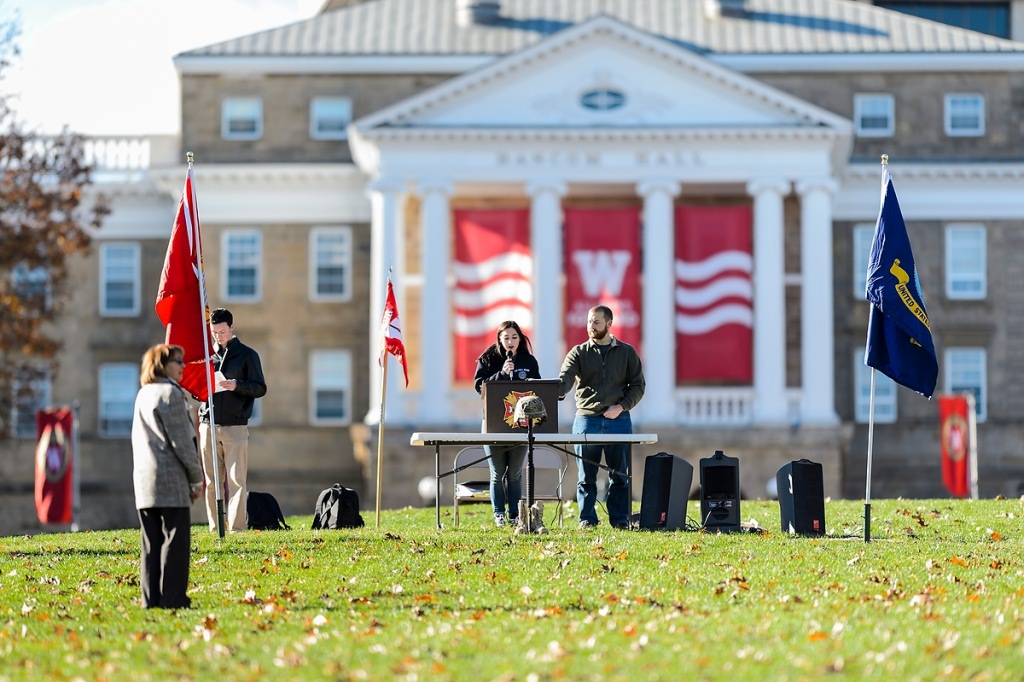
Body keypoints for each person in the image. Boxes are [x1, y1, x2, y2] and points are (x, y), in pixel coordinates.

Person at [557, 305, 645, 530]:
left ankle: (620, 520)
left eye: (596, 322)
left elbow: (638, 385)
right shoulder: (578, 352)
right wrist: (558, 390)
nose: (591, 326)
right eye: (589, 322)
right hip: (587, 420)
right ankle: (587, 519)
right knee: (586, 476)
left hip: (619, 420)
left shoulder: (627, 353)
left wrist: (622, 407)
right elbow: (565, 378)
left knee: (620, 476)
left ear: (608, 324)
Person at [131, 343, 204, 609]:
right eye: (178, 361)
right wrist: (196, 478)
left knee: (151, 542)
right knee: (176, 540)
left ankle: (151, 599)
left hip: (144, 480)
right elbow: (182, 443)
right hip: (170, 478)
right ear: (162, 364)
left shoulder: (143, 394)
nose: (183, 366)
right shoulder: (171, 395)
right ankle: (173, 598)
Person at [199, 308, 267, 533]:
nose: (218, 336)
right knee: (211, 482)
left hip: (235, 427)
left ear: (231, 328)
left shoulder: (248, 355)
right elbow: (195, 390)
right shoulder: (207, 356)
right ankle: (214, 527)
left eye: (222, 332)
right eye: (214, 333)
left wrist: (237, 385)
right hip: (208, 424)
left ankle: (237, 529)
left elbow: (260, 388)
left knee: (237, 480)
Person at [473, 320, 541, 527]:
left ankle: (515, 515)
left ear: (520, 339)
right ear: (499, 340)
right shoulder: (487, 359)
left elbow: (538, 388)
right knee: (497, 473)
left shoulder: (529, 362)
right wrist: (501, 374)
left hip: (520, 425)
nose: (510, 342)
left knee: (514, 473)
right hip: (494, 424)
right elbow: (479, 387)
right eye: (506, 338)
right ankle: (499, 514)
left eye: (514, 337)